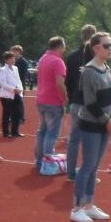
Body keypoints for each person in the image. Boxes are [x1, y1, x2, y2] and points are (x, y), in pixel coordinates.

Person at [70, 32, 111, 222]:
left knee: (95, 166)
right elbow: (89, 103)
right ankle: (76, 208)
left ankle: (89, 205)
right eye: (106, 45)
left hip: (104, 124)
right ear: (96, 48)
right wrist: (107, 120)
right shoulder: (89, 71)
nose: (110, 49)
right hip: (91, 125)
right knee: (87, 166)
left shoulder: (106, 68)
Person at [65, 24, 96, 180]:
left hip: (76, 101)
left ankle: (71, 173)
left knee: (74, 139)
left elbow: (68, 82)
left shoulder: (71, 57)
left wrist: (71, 99)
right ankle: (88, 174)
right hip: (90, 104)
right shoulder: (97, 57)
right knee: (90, 140)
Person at [34, 36, 68, 168]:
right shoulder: (58, 62)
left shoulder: (43, 58)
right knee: (52, 133)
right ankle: (47, 162)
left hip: (41, 99)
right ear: (60, 46)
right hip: (53, 101)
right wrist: (65, 99)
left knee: (42, 131)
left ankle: (39, 160)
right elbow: (60, 83)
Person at [0, 51, 24, 138]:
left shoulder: (15, 68)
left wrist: (20, 89)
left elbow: (18, 80)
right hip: (6, 96)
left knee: (17, 113)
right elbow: (3, 84)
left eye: (14, 58)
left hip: (16, 94)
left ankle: (15, 132)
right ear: (6, 60)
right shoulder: (3, 70)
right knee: (7, 114)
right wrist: (13, 89)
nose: (13, 60)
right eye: (11, 58)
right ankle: (6, 133)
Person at [10, 45, 29, 122]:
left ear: (18, 52)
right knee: (12, 101)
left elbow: (23, 75)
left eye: (14, 51)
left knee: (19, 101)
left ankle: (20, 118)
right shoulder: (12, 61)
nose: (12, 53)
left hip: (19, 85)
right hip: (12, 85)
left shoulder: (23, 62)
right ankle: (13, 117)